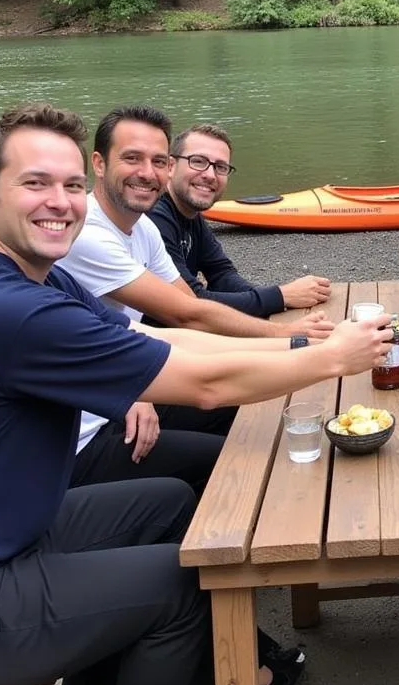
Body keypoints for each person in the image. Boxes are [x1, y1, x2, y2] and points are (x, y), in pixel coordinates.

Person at [0, 103, 393, 685]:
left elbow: (157, 337)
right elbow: (205, 385)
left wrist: (299, 344)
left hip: (1, 538)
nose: (60, 201)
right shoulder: (7, 308)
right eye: (35, 183)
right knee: (187, 585)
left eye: (72, 185)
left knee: (167, 502)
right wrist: (330, 361)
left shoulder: (38, 279)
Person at [58, 107, 333, 485]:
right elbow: (188, 316)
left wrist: (292, 341)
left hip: (128, 384)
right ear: (99, 164)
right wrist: (290, 336)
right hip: (88, 424)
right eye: (132, 158)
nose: (147, 172)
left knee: (246, 409)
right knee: (233, 460)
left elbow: (192, 306)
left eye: (157, 161)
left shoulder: (142, 228)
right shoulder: (89, 235)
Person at [148, 123, 331, 319]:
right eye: (198, 161)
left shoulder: (191, 214)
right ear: (170, 166)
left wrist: (269, 299)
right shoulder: (155, 218)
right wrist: (280, 296)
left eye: (220, 167)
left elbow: (221, 275)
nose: (210, 175)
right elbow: (192, 302)